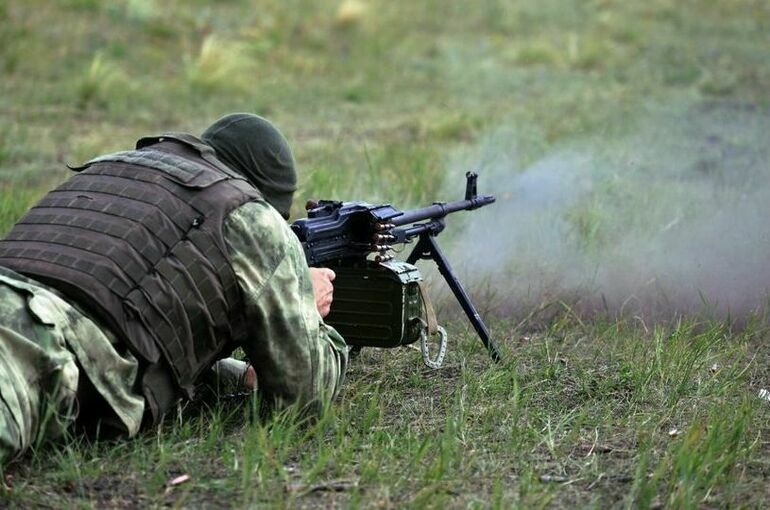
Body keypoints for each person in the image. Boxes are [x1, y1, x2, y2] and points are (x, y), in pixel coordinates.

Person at [0, 113, 348, 466]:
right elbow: (305, 396)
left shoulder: (115, 170)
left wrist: (239, 376)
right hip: (36, 342)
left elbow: (142, 316)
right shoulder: (247, 214)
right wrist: (303, 301)